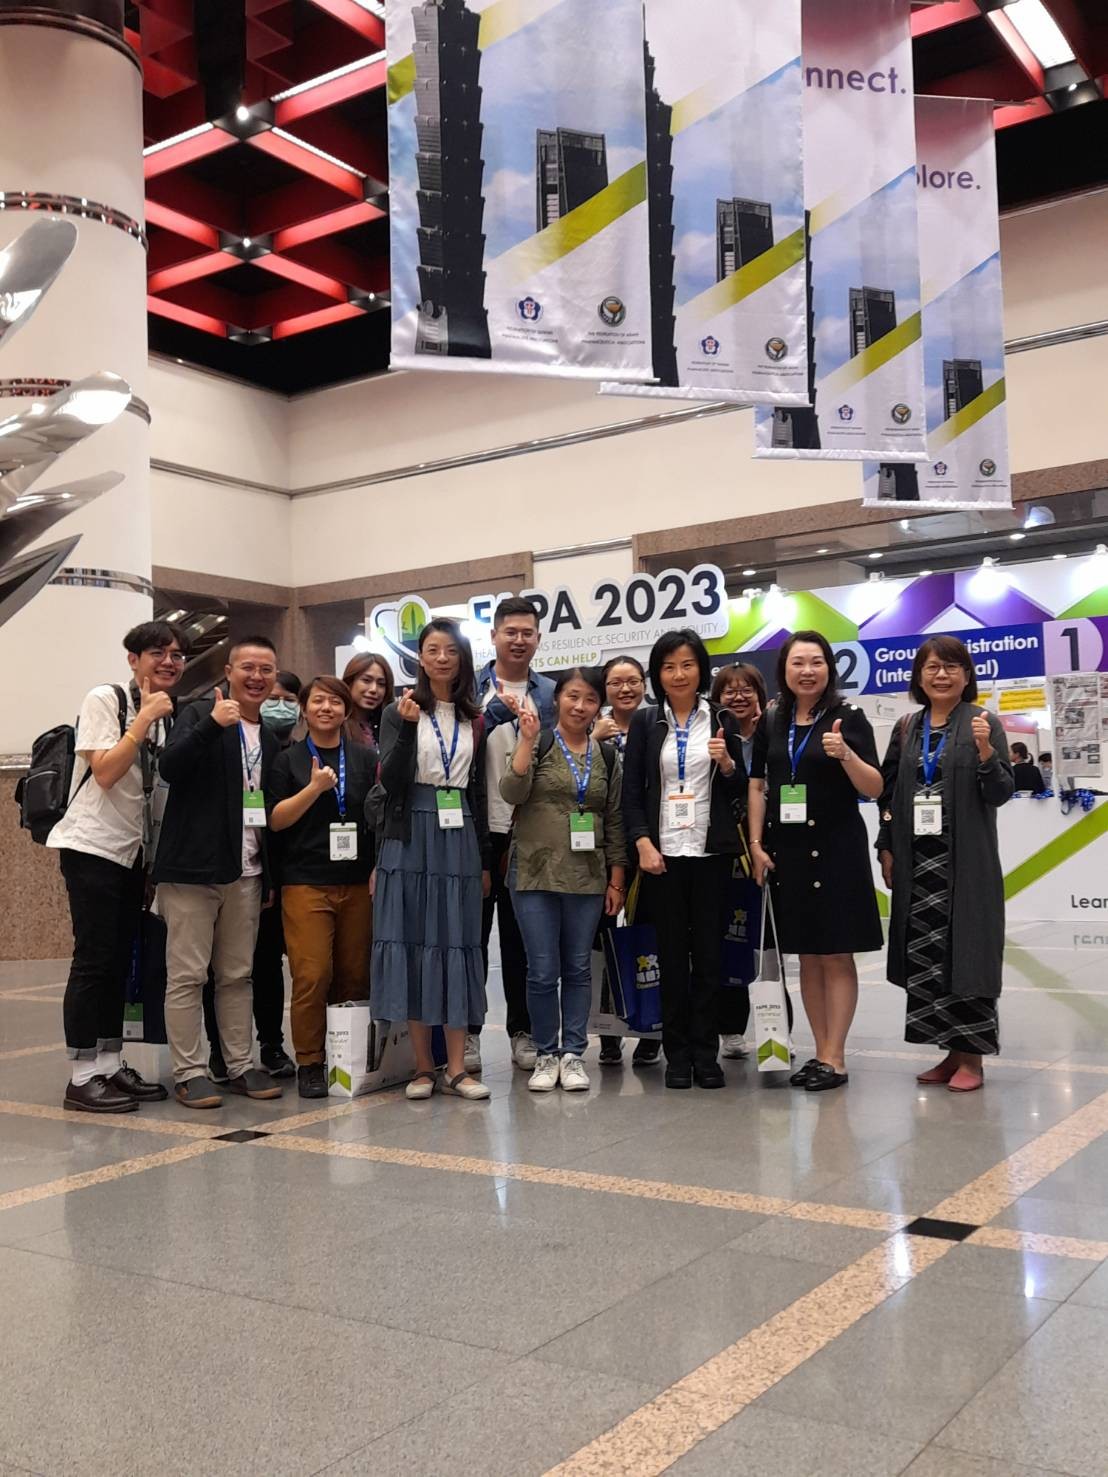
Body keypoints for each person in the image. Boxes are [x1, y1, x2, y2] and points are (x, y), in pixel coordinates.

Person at [47, 621, 188, 1113]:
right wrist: (143, 719)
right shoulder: (105, 699)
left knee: (118, 962)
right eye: (157, 652)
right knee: (93, 961)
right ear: (133, 659)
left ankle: (108, 1064)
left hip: (133, 855)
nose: (168, 661)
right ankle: (82, 1077)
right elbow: (106, 771)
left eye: (177, 655)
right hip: (92, 848)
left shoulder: (166, 716)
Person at [748, 631, 884, 1093]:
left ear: (829, 668)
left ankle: (835, 1057)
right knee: (807, 955)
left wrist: (845, 754)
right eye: (798, 662)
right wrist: (755, 842)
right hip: (788, 851)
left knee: (836, 952)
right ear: (783, 670)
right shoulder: (773, 719)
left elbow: (874, 787)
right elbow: (758, 785)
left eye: (816, 662)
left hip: (837, 848)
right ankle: (820, 1050)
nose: (807, 671)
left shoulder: (849, 717)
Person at [877, 636, 1013, 1092]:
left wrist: (987, 754)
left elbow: (1000, 792)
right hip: (918, 865)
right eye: (933, 667)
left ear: (966, 675)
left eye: (952, 667)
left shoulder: (983, 722)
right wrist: (886, 845)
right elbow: (888, 797)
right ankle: (949, 1053)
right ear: (919, 676)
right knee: (930, 959)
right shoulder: (906, 728)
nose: (942, 675)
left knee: (968, 955)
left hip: (965, 864)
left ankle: (972, 1059)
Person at [154, 636, 284, 1108]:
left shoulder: (271, 737)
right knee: (188, 977)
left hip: (245, 873)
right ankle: (189, 1072)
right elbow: (170, 767)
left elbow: (266, 812)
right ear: (228, 673)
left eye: (266, 669)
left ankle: (239, 1065)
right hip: (193, 870)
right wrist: (212, 724)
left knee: (237, 975)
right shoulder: (197, 713)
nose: (257, 677)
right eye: (247, 667)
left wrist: (268, 878)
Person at [371, 619, 491, 1101]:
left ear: (462, 659)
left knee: (457, 942)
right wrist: (406, 728)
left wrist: (485, 858)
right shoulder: (398, 711)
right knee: (415, 941)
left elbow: (478, 792)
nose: (442, 658)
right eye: (432, 650)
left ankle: (457, 1068)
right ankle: (423, 1067)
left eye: (451, 651)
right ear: (419, 658)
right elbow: (391, 781)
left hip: (458, 832)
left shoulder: (474, 718)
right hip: (409, 833)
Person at [622, 629, 747, 1089]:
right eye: (669, 666)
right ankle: (676, 1054)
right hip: (663, 857)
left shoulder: (721, 719)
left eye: (687, 665)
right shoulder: (645, 722)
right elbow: (631, 792)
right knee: (671, 957)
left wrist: (728, 763)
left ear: (701, 670)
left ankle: (705, 1052)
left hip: (710, 853)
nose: (678, 674)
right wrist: (642, 842)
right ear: (658, 674)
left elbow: (741, 787)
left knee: (710, 957)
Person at [501, 668, 627, 1092]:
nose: (580, 706)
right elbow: (511, 791)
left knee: (577, 968)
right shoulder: (540, 742)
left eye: (590, 699)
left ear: (598, 707)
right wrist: (525, 739)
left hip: (587, 877)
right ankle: (545, 1052)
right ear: (557, 699)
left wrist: (617, 880)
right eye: (573, 696)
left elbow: (614, 819)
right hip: (534, 874)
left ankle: (573, 1053)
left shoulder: (606, 755)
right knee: (541, 970)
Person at [269, 676, 375, 1098]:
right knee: (312, 974)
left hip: (357, 882)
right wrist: (314, 789)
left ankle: (347, 1059)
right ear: (304, 708)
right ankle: (310, 1061)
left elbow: (376, 817)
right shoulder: (288, 760)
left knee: (354, 976)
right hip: (305, 882)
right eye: (318, 701)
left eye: (335, 701)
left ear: (346, 710)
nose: (326, 708)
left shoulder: (364, 758)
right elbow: (275, 820)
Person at [204, 669, 302, 1082]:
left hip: (275, 872)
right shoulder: (230, 737)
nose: (279, 706)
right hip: (231, 868)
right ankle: (220, 1051)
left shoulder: (296, 752)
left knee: (266, 964)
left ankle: (271, 1045)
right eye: (273, 697)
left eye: (288, 700)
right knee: (220, 969)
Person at [471, 596, 556, 1074]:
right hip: (480, 830)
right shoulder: (470, 689)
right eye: (511, 632)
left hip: (531, 832)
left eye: (527, 633)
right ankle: (469, 1033)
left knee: (523, 941)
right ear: (494, 637)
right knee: (472, 938)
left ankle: (523, 1031)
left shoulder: (552, 693)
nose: (519, 640)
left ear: (538, 639)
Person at [593, 655, 659, 1068]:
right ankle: (608, 1031)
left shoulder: (657, 724)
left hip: (648, 846)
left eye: (632, 680)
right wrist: (592, 737)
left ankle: (651, 1029)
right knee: (602, 942)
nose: (625, 689)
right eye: (616, 682)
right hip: (599, 850)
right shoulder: (591, 726)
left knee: (649, 939)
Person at [709, 662, 769, 1060]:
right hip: (724, 851)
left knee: (766, 945)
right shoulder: (712, 735)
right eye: (729, 690)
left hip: (765, 851)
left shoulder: (775, 732)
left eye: (747, 689)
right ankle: (730, 1027)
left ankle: (775, 1034)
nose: (738, 697)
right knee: (724, 939)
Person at [343, 653, 394, 749]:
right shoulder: (337, 727)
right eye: (366, 680)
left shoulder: (389, 727)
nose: (374, 689)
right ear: (350, 682)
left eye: (381, 684)